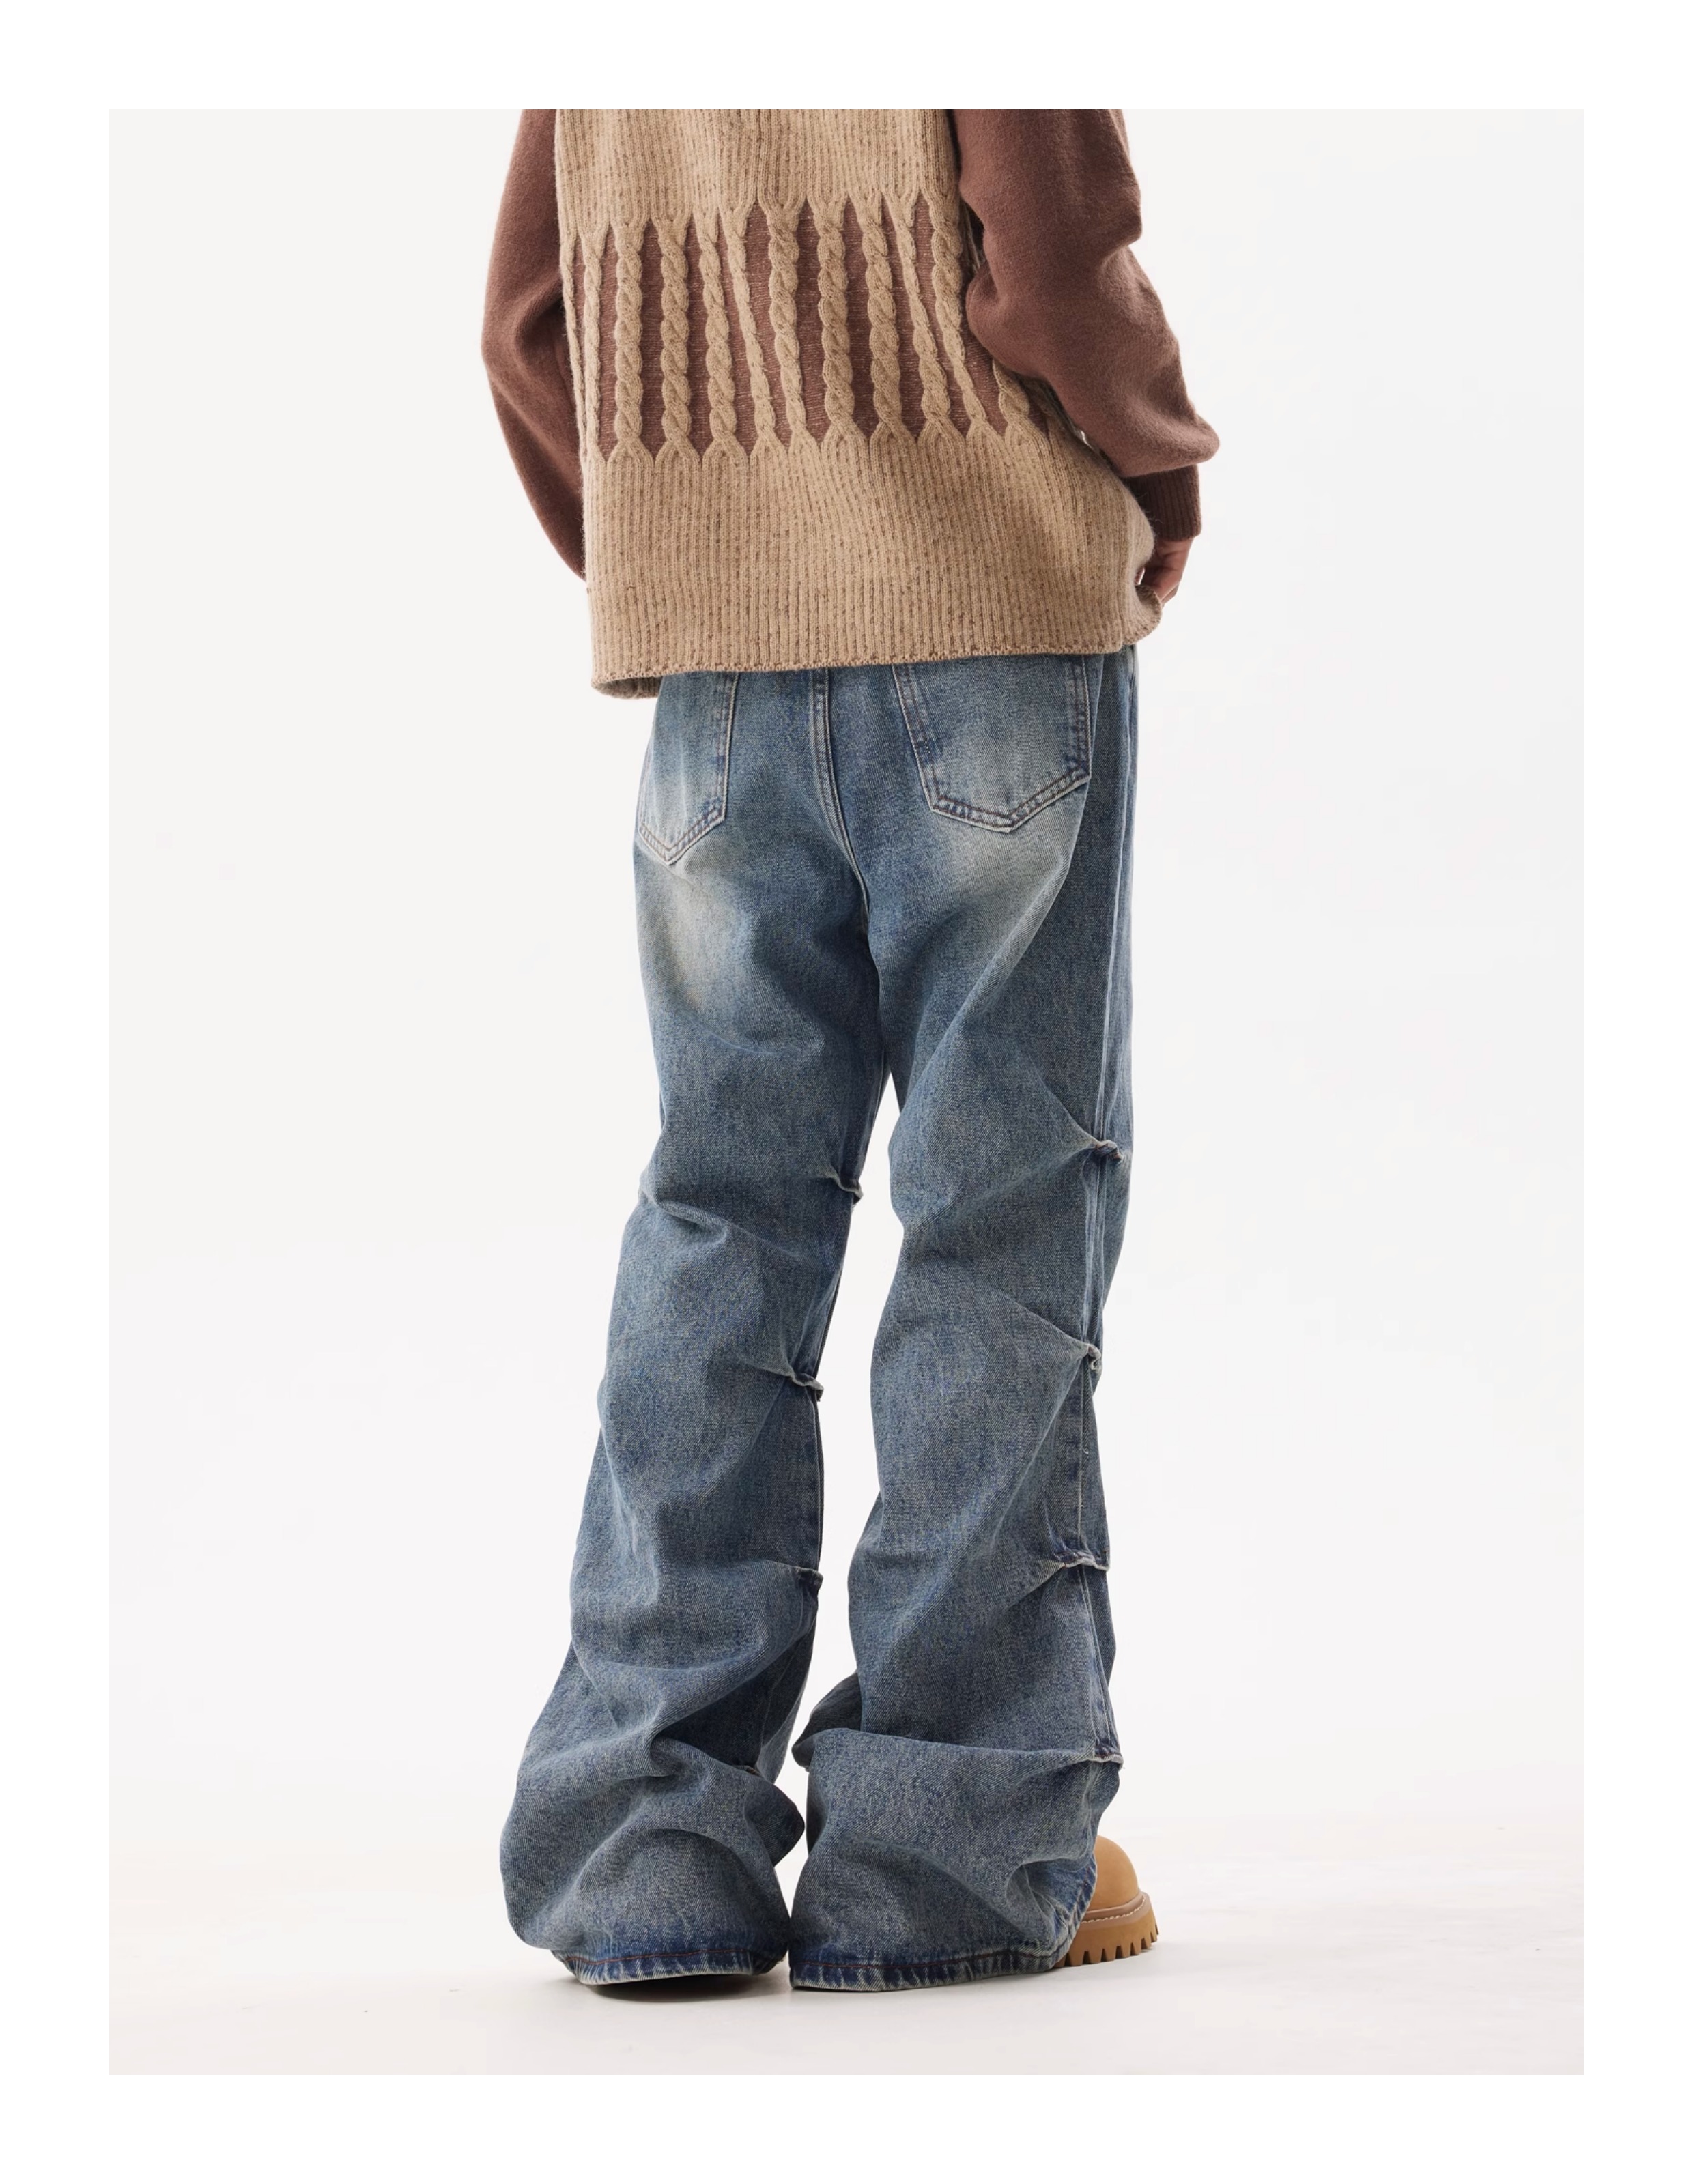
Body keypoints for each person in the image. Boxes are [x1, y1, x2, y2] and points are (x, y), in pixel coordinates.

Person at [481, 108, 1217, 1994]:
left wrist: (670, 558)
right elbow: (1051, 261)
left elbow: (529, 322)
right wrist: (1164, 470)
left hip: (718, 681)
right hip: (991, 618)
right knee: (1000, 1218)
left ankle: (648, 1842)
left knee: (721, 1215)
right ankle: (943, 1857)